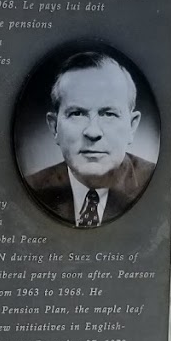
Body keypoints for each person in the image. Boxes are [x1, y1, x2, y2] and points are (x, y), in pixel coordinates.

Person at [24, 50, 155, 226]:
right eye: (77, 113)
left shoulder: (157, 185)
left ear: (132, 126)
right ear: (54, 126)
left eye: (108, 114)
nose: (93, 132)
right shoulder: (31, 188)